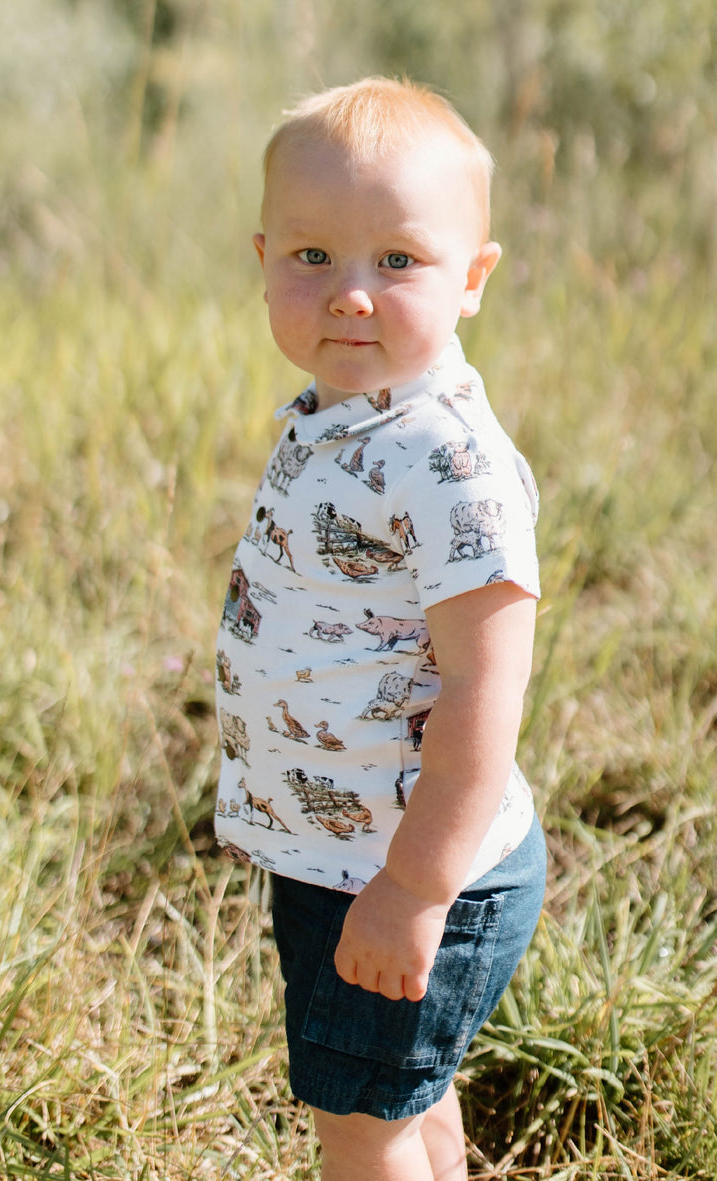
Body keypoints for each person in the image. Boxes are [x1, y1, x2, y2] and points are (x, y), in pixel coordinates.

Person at [214, 76, 546, 1181]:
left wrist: (413, 889)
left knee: (360, 1129)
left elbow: (482, 690)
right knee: (402, 1097)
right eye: (313, 258)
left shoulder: (450, 460)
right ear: (264, 259)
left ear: (472, 279)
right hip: (342, 852)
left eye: (397, 262)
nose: (350, 295)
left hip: (408, 868)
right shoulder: (342, 414)